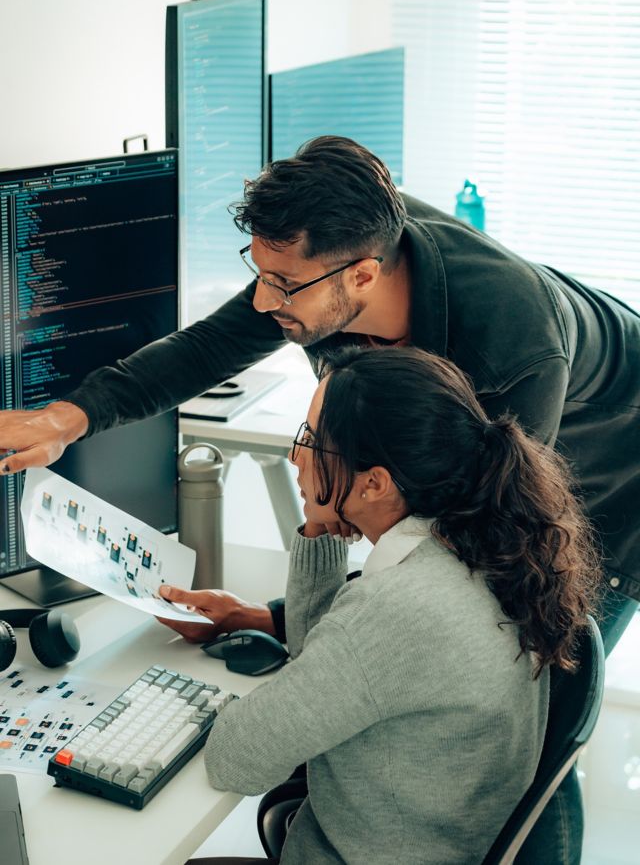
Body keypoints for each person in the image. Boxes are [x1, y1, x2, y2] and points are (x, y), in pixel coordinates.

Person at [1, 135, 639, 862]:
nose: (264, 301)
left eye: (283, 285)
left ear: (363, 275)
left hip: (614, 467)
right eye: (260, 275)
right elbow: (208, 348)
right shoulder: (327, 257)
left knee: (531, 688)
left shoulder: (511, 351)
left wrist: (313, 635)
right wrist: (64, 419)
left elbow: (454, 575)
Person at [174, 345, 599, 865]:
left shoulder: (398, 609)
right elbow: (324, 665)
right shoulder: (487, 549)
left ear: (374, 482)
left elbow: (237, 760)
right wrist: (319, 527)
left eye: (310, 441)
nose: (294, 456)